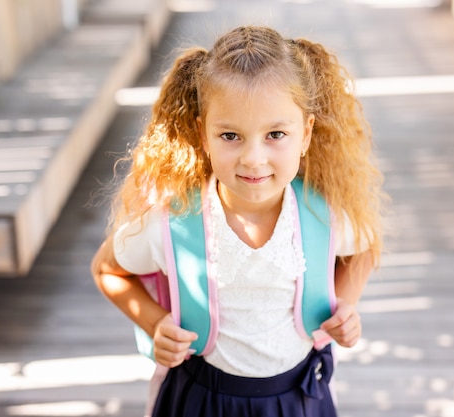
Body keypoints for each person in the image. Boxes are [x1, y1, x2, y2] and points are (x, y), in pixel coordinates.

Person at [91, 25, 384, 417]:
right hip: (201, 399)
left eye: (276, 134)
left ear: (306, 133)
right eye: (230, 136)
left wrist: (344, 303)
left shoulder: (323, 216)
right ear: (203, 134)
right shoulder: (171, 221)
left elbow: (363, 249)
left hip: (295, 399)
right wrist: (156, 323)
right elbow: (107, 269)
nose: (253, 158)